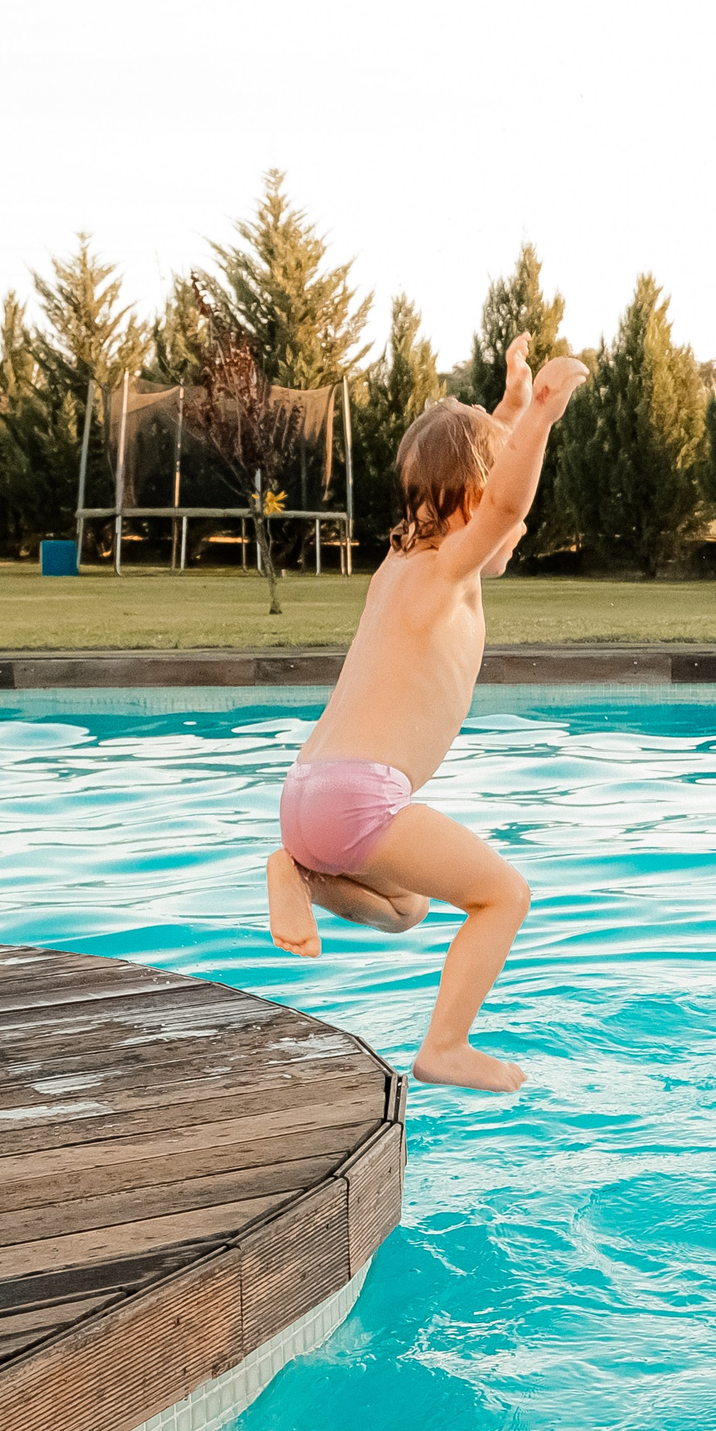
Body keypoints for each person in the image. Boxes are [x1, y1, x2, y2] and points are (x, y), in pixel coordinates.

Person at [266, 336, 588, 1093]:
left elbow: (474, 471)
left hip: (304, 796)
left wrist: (505, 406)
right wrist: (539, 414)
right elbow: (506, 497)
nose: (522, 526)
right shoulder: (450, 569)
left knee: (408, 907)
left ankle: (298, 874)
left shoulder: (395, 567)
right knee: (504, 894)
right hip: (360, 797)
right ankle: (446, 1044)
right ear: (475, 503)